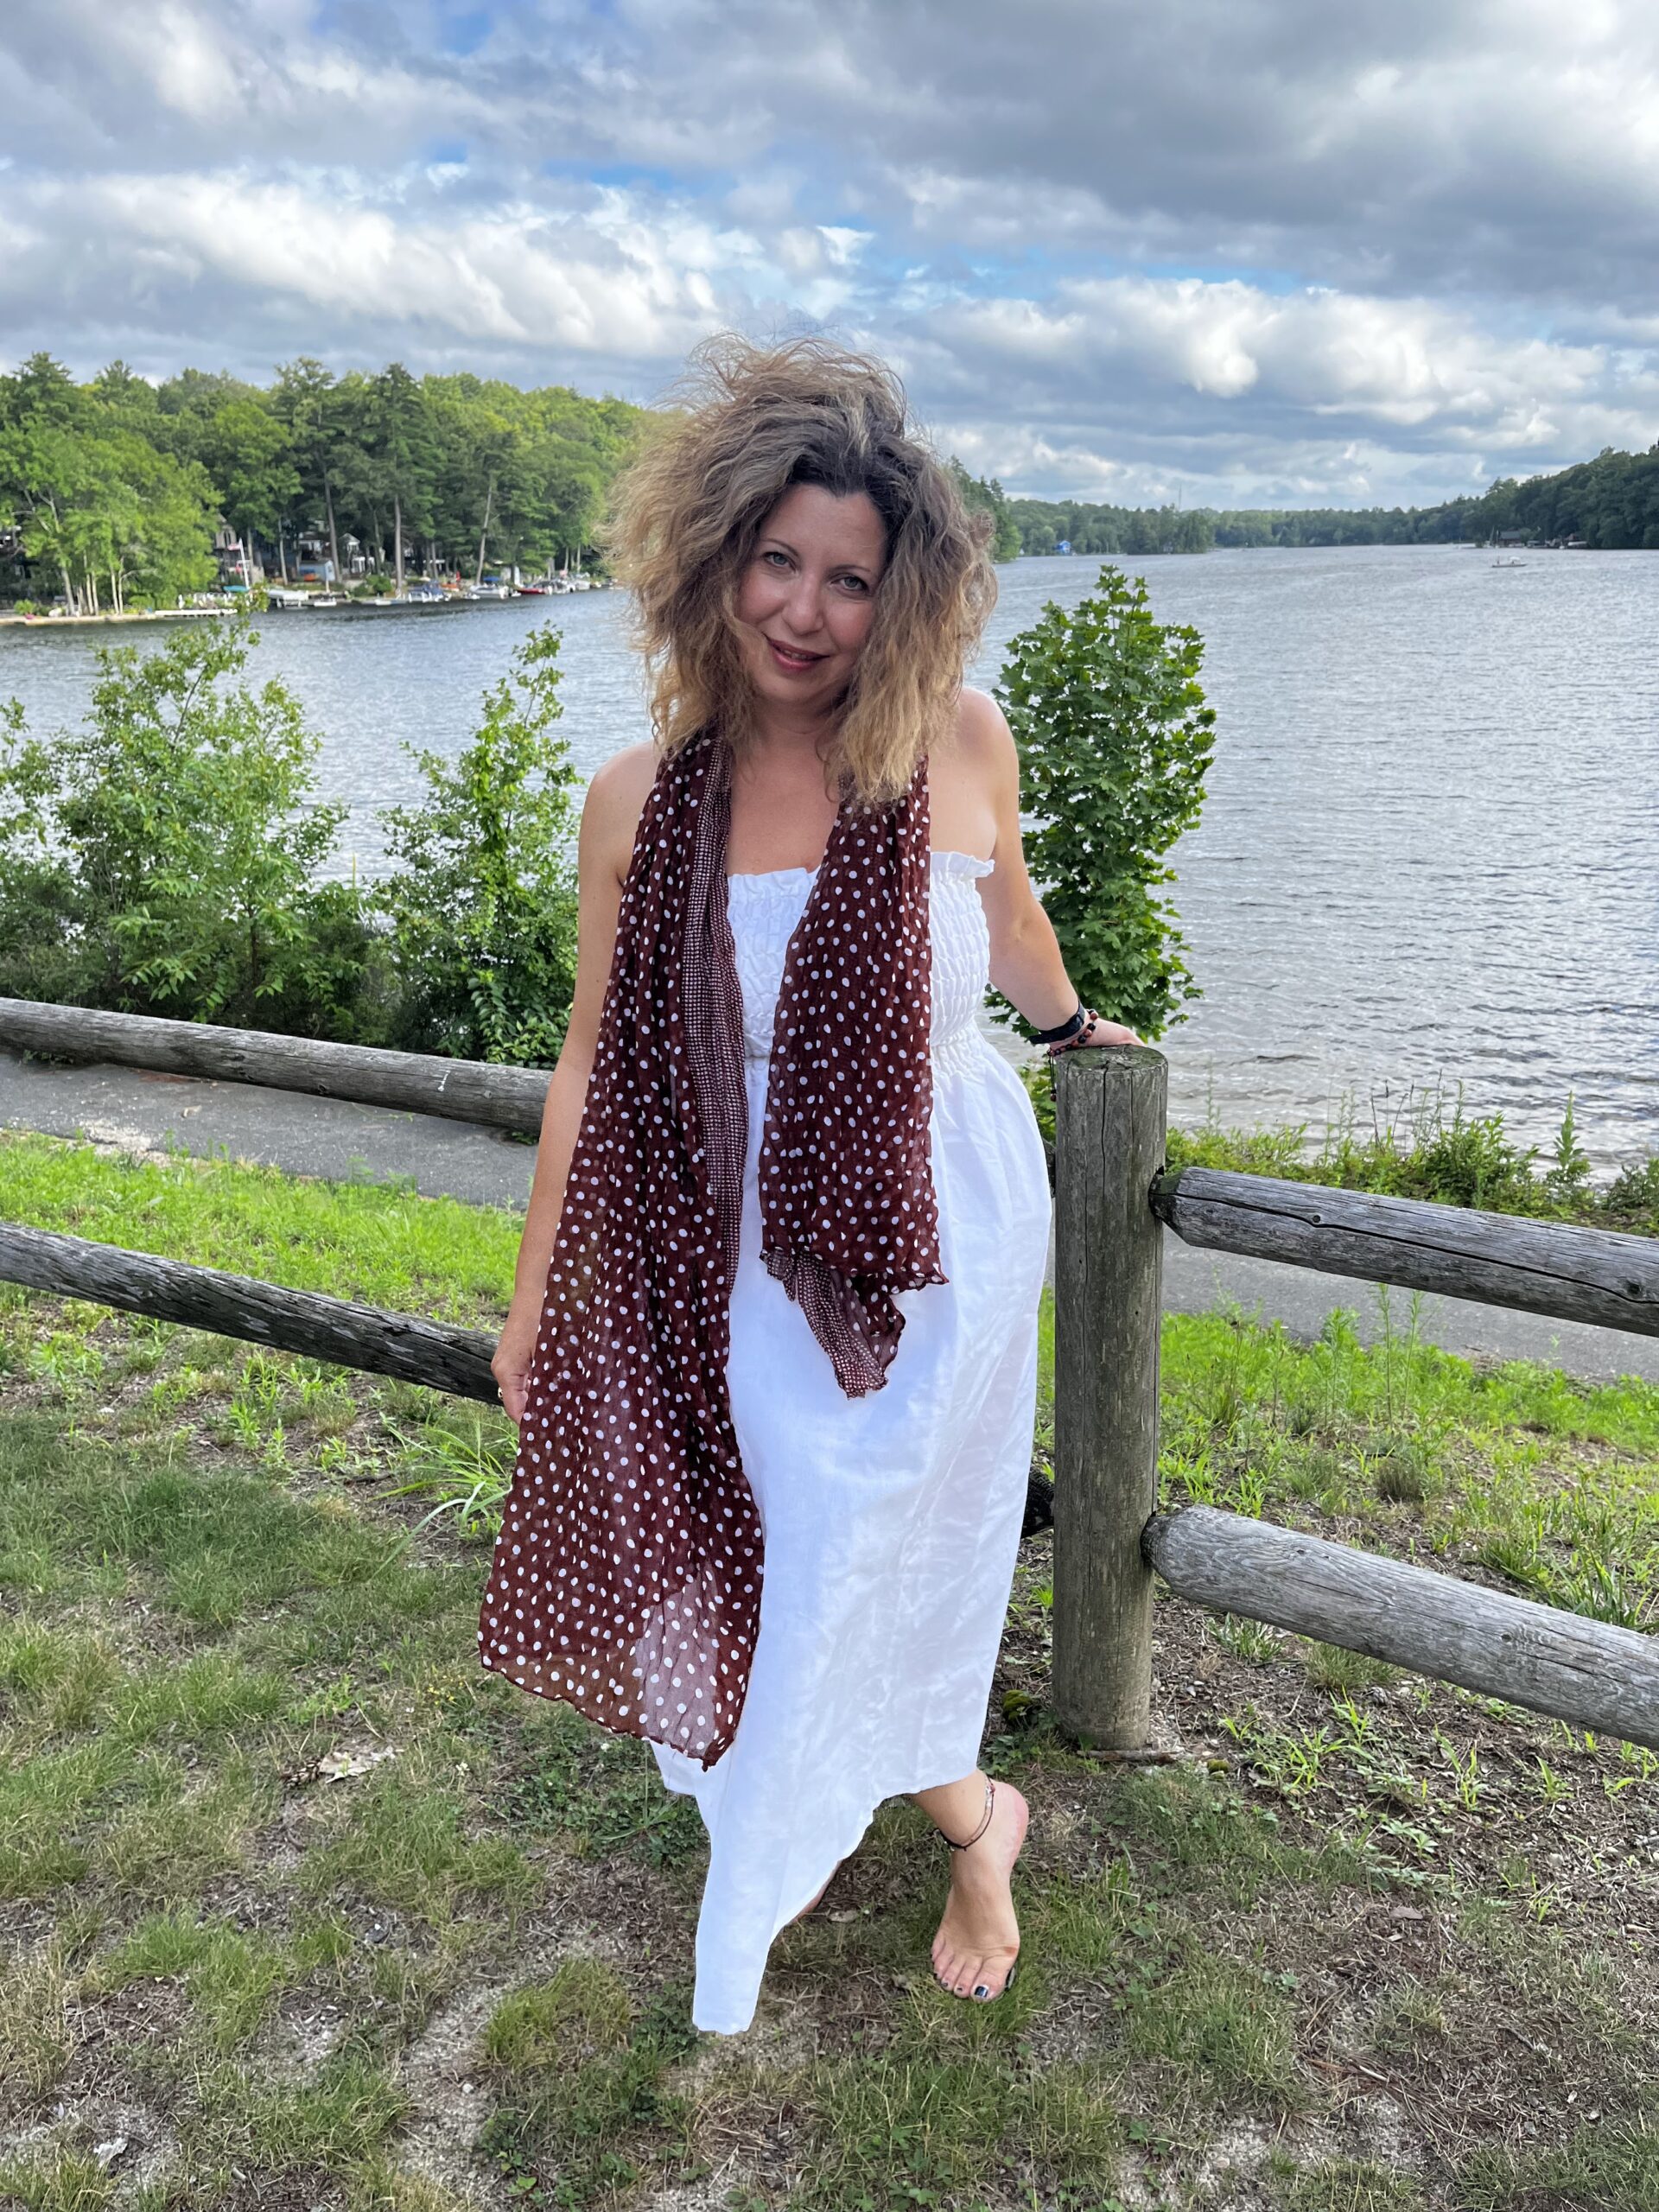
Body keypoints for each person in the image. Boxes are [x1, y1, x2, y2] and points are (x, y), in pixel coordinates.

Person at [478, 334, 1141, 2037]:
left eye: (852, 576)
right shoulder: (637, 800)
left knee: (877, 1553)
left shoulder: (957, 740)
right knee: (805, 1551)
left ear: (903, 594)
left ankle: (928, 1824)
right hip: (738, 1234)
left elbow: (1009, 928)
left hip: (948, 1217)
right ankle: (969, 1811)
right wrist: (540, 1295)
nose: (807, 608)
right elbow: (587, 1061)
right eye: (778, 557)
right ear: (711, 561)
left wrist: (1074, 1029)